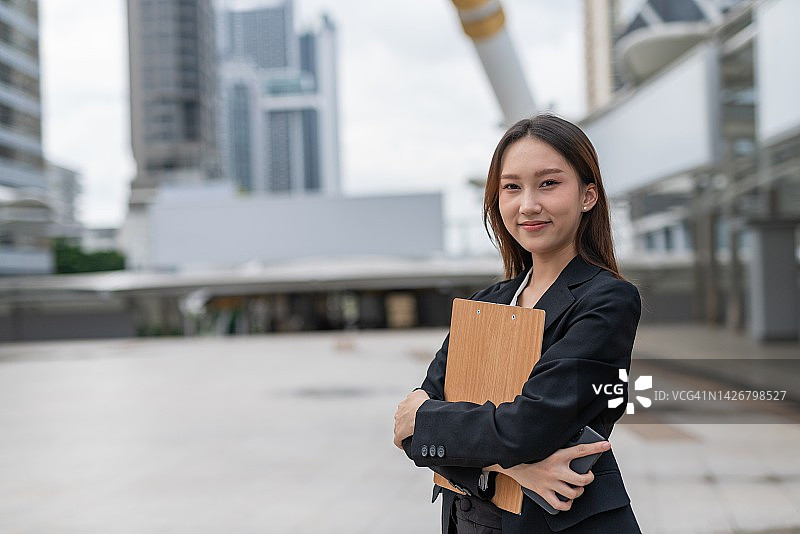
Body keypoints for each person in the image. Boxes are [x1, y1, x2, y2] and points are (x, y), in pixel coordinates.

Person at [393, 113, 643, 533]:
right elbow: (408, 429)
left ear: (588, 196)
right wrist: (516, 469)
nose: (528, 204)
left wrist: (443, 431)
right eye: (512, 187)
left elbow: (527, 428)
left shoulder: (607, 300)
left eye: (548, 183)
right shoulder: (484, 302)